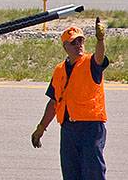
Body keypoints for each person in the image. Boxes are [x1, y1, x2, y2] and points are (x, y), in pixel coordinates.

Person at [31, 19, 108, 179]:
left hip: (90, 127)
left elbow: (100, 57)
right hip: (68, 129)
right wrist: (41, 128)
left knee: (93, 172)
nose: (78, 45)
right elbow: (53, 102)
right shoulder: (59, 70)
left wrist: (100, 40)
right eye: (73, 43)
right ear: (65, 47)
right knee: (71, 174)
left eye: (80, 41)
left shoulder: (90, 63)